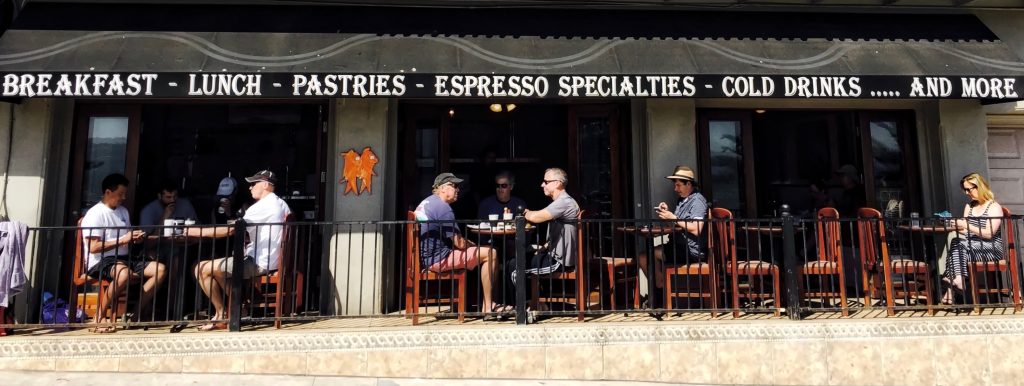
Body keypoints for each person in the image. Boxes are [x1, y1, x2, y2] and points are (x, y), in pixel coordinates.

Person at [191, 170, 291, 331]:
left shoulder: (263, 206)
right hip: (271, 260)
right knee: (218, 269)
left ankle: (222, 313)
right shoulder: (281, 203)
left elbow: (232, 230)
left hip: (259, 263)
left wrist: (196, 232)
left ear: (265, 185)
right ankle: (240, 308)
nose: (250, 188)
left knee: (201, 268)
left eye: (253, 184)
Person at [80, 173, 166, 333]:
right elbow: (93, 247)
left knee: (159, 269)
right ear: (107, 192)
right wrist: (124, 239)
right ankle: (99, 316)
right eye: (120, 194)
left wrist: (135, 238)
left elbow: (126, 238)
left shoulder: (123, 212)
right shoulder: (95, 214)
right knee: (124, 274)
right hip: (102, 261)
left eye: (124, 194)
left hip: (125, 258)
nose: (123, 197)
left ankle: (135, 314)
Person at [415, 172, 504, 319]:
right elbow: (460, 243)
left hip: (429, 257)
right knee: (490, 253)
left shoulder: (428, 202)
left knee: (481, 252)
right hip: (438, 259)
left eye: (458, 186)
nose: (458, 189)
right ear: (442, 188)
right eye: (454, 186)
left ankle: (467, 304)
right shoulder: (443, 208)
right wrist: (472, 244)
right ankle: (489, 306)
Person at [638, 165, 707, 313]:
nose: (676, 189)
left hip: (690, 251)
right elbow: (678, 225)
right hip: (678, 246)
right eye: (675, 185)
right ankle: (661, 290)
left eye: (678, 185)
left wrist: (673, 217)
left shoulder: (697, 201)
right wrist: (667, 214)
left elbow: (696, 228)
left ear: (689, 184)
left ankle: (659, 296)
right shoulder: (682, 201)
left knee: (649, 255)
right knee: (643, 256)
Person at [516, 168, 581, 312]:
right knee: (514, 262)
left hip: (560, 259)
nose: (542, 185)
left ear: (557, 183)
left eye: (546, 181)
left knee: (516, 268)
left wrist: (525, 212)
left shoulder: (564, 202)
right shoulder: (561, 201)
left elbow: (536, 217)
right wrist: (544, 247)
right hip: (555, 253)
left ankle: (526, 307)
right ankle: (535, 304)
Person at [941, 172, 1004, 305]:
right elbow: (965, 231)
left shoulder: (994, 207)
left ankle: (951, 290)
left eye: (970, 189)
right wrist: (955, 225)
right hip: (971, 247)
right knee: (956, 242)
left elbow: (989, 233)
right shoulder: (969, 206)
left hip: (991, 248)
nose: (967, 193)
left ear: (979, 187)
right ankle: (957, 280)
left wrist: (965, 224)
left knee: (958, 247)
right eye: (965, 190)